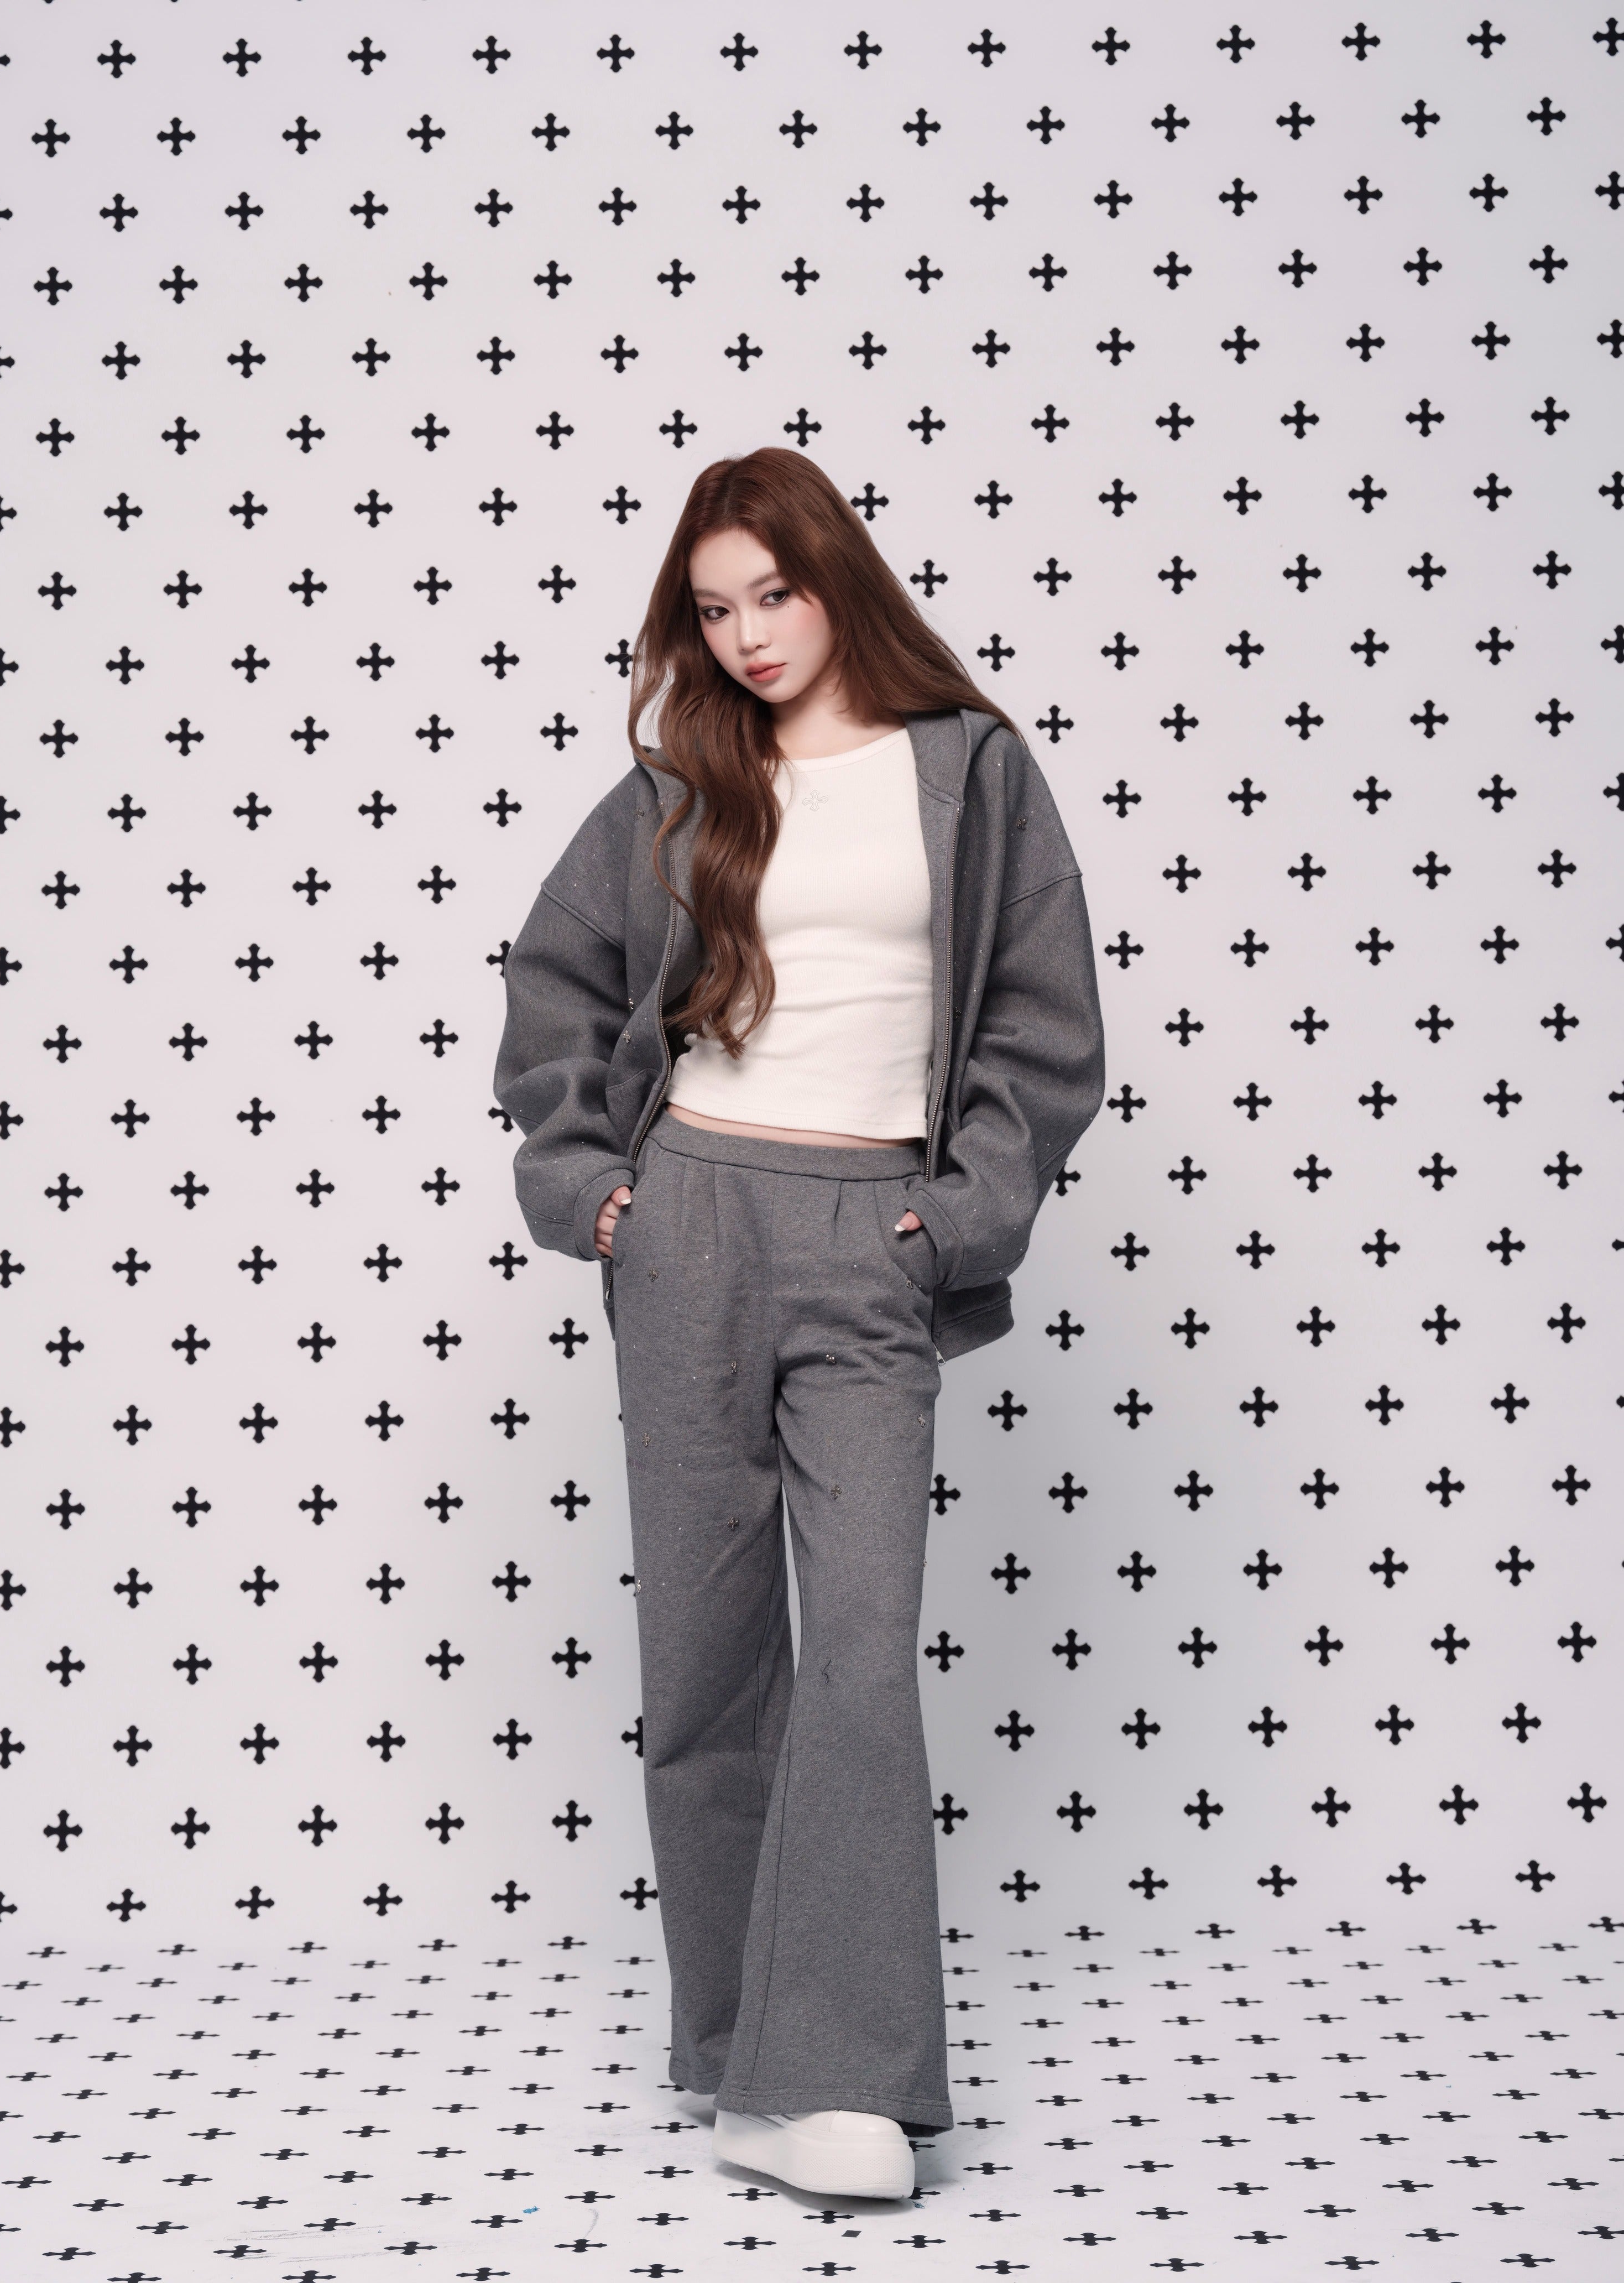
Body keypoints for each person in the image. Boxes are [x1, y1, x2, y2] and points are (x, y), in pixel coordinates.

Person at [492, 447, 1105, 2199]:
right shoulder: (686, 782)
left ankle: (835, 2073)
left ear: (839, 580)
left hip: (873, 1234)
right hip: (688, 1219)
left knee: (858, 1651)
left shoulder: (971, 771)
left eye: (774, 593)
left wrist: (960, 1217)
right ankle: (740, 2056)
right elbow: (553, 983)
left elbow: (1046, 1027)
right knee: (706, 1657)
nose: (750, 636)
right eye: (713, 611)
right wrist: (591, 1190)